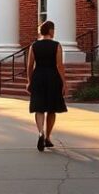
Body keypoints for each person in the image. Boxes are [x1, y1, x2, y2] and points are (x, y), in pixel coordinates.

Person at [26, 20, 67, 151]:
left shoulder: (34, 45)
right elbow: (59, 65)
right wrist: (64, 82)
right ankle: (48, 137)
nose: (54, 32)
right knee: (51, 109)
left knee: (39, 108)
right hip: (52, 78)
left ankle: (40, 133)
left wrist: (29, 81)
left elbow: (30, 65)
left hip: (38, 77)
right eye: (53, 30)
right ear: (50, 31)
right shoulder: (57, 45)